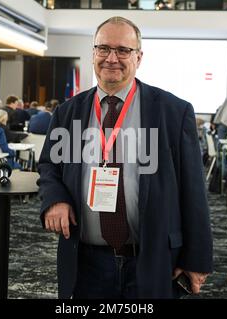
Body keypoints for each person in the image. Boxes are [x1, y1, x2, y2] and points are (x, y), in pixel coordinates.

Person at [38, 16, 212, 299]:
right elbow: (49, 166)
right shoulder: (68, 113)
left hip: (153, 259)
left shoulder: (173, 112)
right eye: (103, 48)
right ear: (93, 53)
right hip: (86, 262)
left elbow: (193, 189)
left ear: (139, 57)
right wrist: (56, 199)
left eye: (123, 50)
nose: (112, 58)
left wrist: (197, 258)